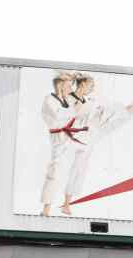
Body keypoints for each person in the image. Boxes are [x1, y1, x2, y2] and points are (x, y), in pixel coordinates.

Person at [61, 73, 133, 215]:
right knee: (77, 169)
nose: (92, 89)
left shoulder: (87, 99)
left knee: (118, 117)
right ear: (82, 84)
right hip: (81, 136)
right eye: (91, 85)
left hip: (92, 133)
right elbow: (72, 114)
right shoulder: (73, 99)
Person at [40, 72, 83, 217]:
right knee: (55, 172)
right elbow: (59, 115)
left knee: (77, 166)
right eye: (68, 85)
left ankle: (66, 204)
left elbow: (76, 104)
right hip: (58, 138)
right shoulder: (49, 100)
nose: (70, 88)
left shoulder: (65, 100)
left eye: (71, 85)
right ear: (60, 85)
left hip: (69, 137)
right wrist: (73, 110)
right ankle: (46, 209)